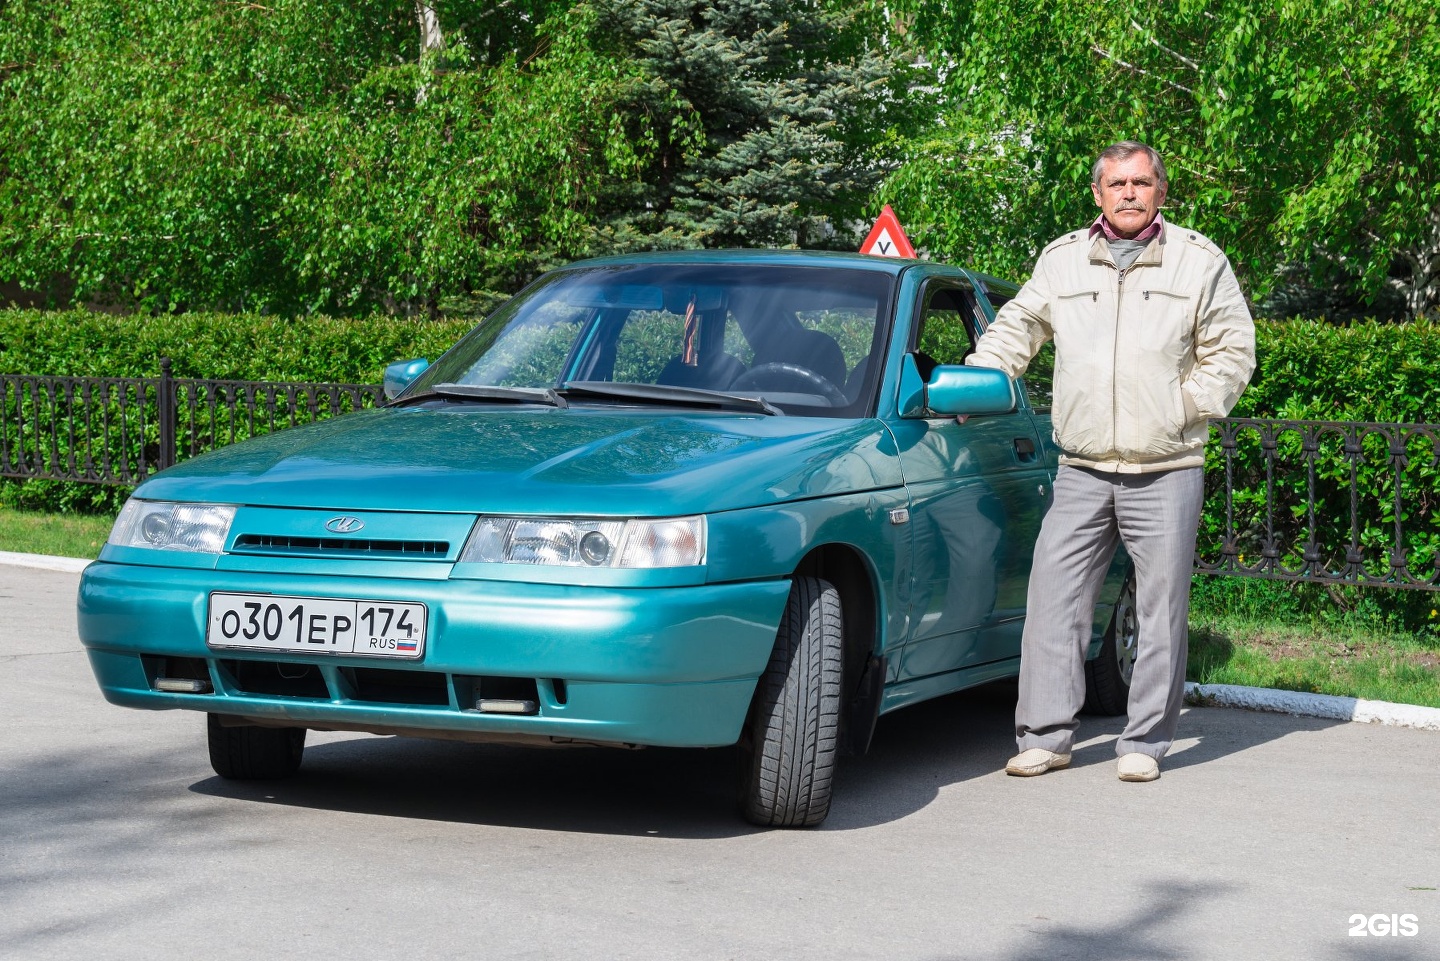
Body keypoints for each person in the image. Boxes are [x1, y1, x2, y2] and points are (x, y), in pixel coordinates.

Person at [965, 141, 1255, 782]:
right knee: (1053, 600)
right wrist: (982, 377)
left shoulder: (1198, 260)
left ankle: (1144, 743)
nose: (1129, 192)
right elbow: (1018, 327)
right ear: (1097, 193)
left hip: (1168, 464)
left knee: (1160, 609)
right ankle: (1045, 736)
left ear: (1162, 192)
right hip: (1083, 466)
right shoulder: (1064, 259)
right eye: (1117, 182)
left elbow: (1233, 351)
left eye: (1142, 182)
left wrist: (1182, 407)